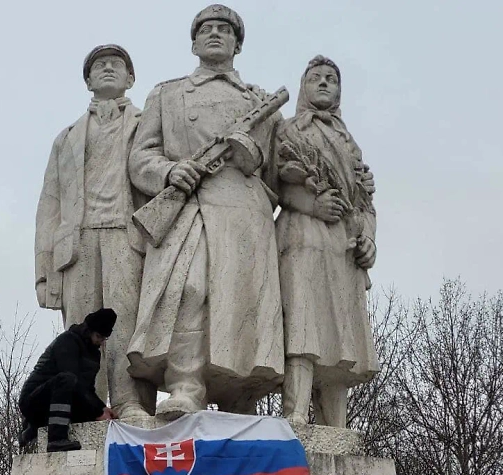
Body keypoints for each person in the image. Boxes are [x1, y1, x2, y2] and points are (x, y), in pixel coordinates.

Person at [126, 4, 285, 418]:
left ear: (237, 44)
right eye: (206, 29)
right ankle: (186, 385)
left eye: (225, 29)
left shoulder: (261, 102)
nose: (215, 34)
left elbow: (279, 172)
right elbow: (140, 157)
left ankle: (240, 392)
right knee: (188, 292)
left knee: (241, 300)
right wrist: (170, 171)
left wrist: (249, 156)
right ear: (194, 43)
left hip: (244, 212)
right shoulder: (167, 94)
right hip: (189, 205)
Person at [35, 44, 155, 423]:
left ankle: (130, 401)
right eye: (99, 65)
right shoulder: (66, 138)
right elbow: (50, 206)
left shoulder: (147, 124)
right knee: (81, 331)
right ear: (88, 80)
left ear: (130, 78)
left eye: (116, 64)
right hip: (78, 242)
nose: (107, 68)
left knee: (127, 324)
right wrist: (44, 272)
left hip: (127, 235)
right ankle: (87, 405)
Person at [276, 56, 379, 426]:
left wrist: (368, 239)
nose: (324, 83)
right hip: (302, 234)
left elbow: (365, 204)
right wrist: (312, 204)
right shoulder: (287, 130)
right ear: (303, 86)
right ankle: (294, 415)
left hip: (342, 245)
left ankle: (335, 427)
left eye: (331, 79)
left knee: (341, 336)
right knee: (302, 324)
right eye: (316, 77)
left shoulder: (349, 143)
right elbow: (273, 185)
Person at [19, 307, 119, 452]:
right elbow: (71, 380)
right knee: (67, 380)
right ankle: (56, 439)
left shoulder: (94, 354)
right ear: (89, 330)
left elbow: (87, 389)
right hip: (33, 400)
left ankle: (33, 428)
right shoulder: (67, 341)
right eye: (98, 336)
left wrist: (102, 408)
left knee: (82, 403)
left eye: (104, 339)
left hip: (60, 398)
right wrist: (96, 413)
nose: (100, 342)